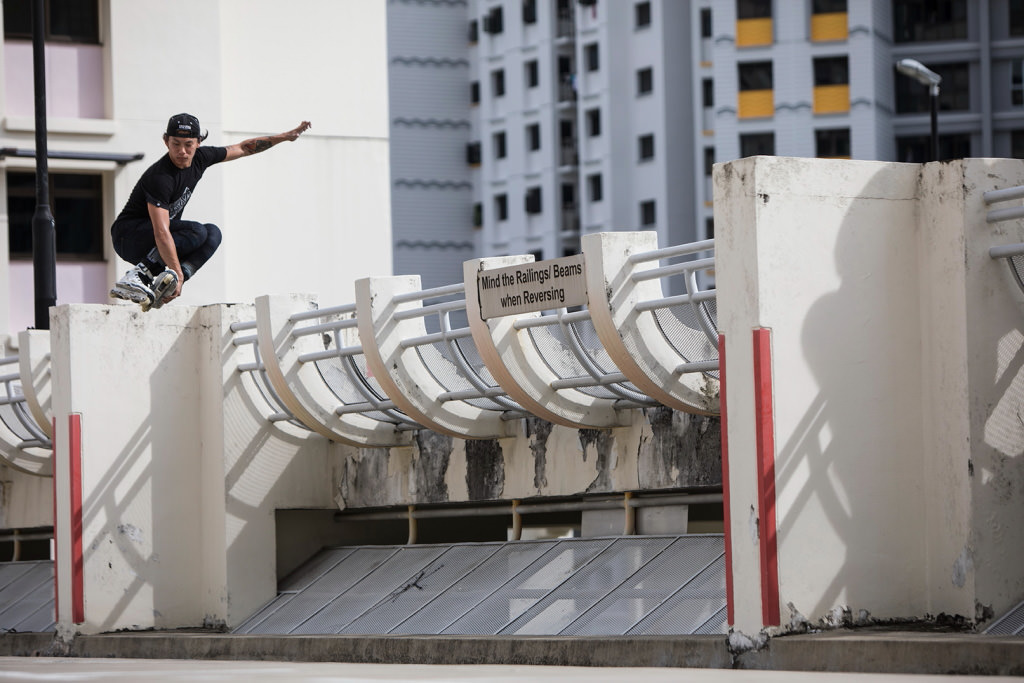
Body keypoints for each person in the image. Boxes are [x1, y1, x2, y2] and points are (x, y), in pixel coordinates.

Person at [109, 114, 311, 310]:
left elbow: (242, 148)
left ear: (198, 142)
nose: (182, 152)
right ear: (166, 142)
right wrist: (176, 271)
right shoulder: (161, 177)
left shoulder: (202, 158)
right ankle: (138, 275)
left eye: (188, 145)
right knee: (197, 232)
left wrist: (284, 137)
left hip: (154, 239)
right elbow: (161, 232)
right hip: (128, 236)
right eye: (176, 144)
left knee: (213, 233)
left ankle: (167, 286)